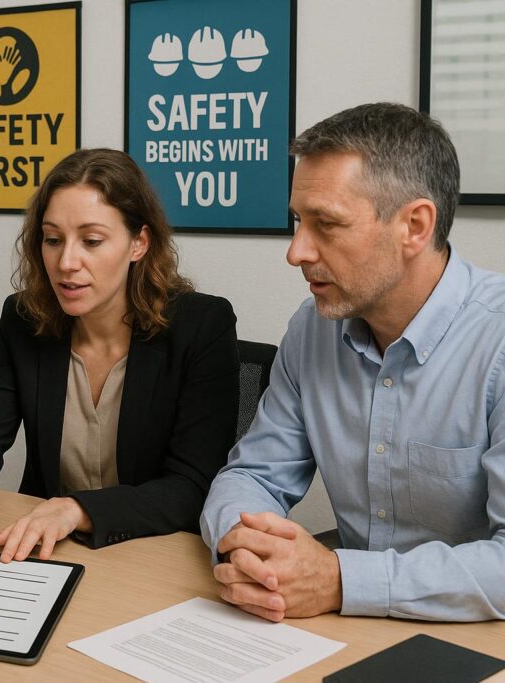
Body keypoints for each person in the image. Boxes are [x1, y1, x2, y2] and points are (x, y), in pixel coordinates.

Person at [201, 102, 505, 623]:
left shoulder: (495, 341)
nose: (296, 251)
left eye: (326, 224)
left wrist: (341, 580)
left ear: (415, 225)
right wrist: (248, 549)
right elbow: (253, 475)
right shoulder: (312, 328)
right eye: (299, 221)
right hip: (346, 629)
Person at [0, 148, 239, 562]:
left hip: (152, 557)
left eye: (91, 241)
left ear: (139, 243)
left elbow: (192, 486)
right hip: (46, 554)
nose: (66, 262)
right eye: (53, 239)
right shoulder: (23, 319)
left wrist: (77, 510)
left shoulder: (202, 326)